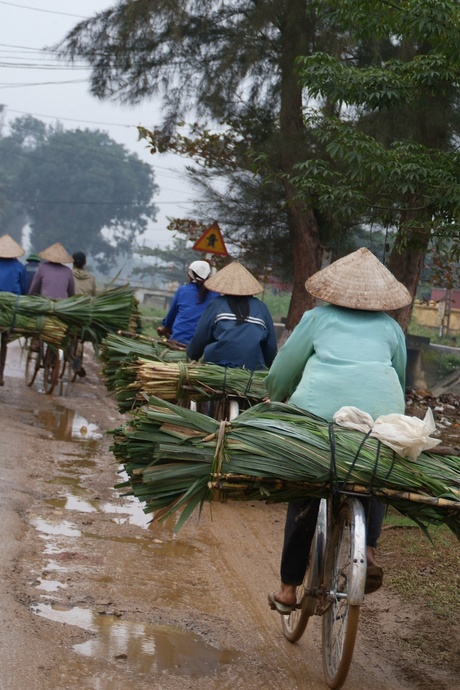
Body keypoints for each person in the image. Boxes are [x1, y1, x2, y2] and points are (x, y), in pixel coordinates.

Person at [264, 247, 412, 614]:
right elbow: (399, 376)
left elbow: (284, 369)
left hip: (319, 417)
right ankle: (370, 547)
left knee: (306, 489)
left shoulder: (317, 319)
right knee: (372, 470)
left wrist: (277, 396)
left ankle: (287, 589)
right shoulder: (392, 327)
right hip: (376, 417)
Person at [186, 261, 278, 371]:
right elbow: (271, 348)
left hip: (217, 367)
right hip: (252, 370)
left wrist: (192, 356)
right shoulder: (261, 308)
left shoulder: (217, 304)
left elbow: (200, 338)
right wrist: (268, 365)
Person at [157, 260, 219, 348]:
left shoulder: (183, 291)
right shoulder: (216, 295)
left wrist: (165, 328)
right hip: (203, 346)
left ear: (189, 275)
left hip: (178, 341)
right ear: (209, 276)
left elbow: (170, 319)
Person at [0, 234, 28, 386]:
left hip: (6, 306)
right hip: (11, 308)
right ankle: (0, 375)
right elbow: (23, 290)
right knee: (4, 341)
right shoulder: (19, 267)